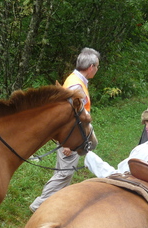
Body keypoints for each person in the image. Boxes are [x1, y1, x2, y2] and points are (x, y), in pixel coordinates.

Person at [30, 47, 101, 212]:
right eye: (97, 67)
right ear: (91, 67)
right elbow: (69, 117)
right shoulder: (76, 86)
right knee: (64, 172)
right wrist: (66, 144)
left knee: (64, 172)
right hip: (72, 136)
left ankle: (53, 203)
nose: (97, 70)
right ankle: (39, 205)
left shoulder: (75, 79)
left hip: (74, 134)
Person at [85, 103, 148, 178]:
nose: (146, 128)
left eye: (146, 124)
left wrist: (89, 157)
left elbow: (117, 175)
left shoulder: (146, 150)